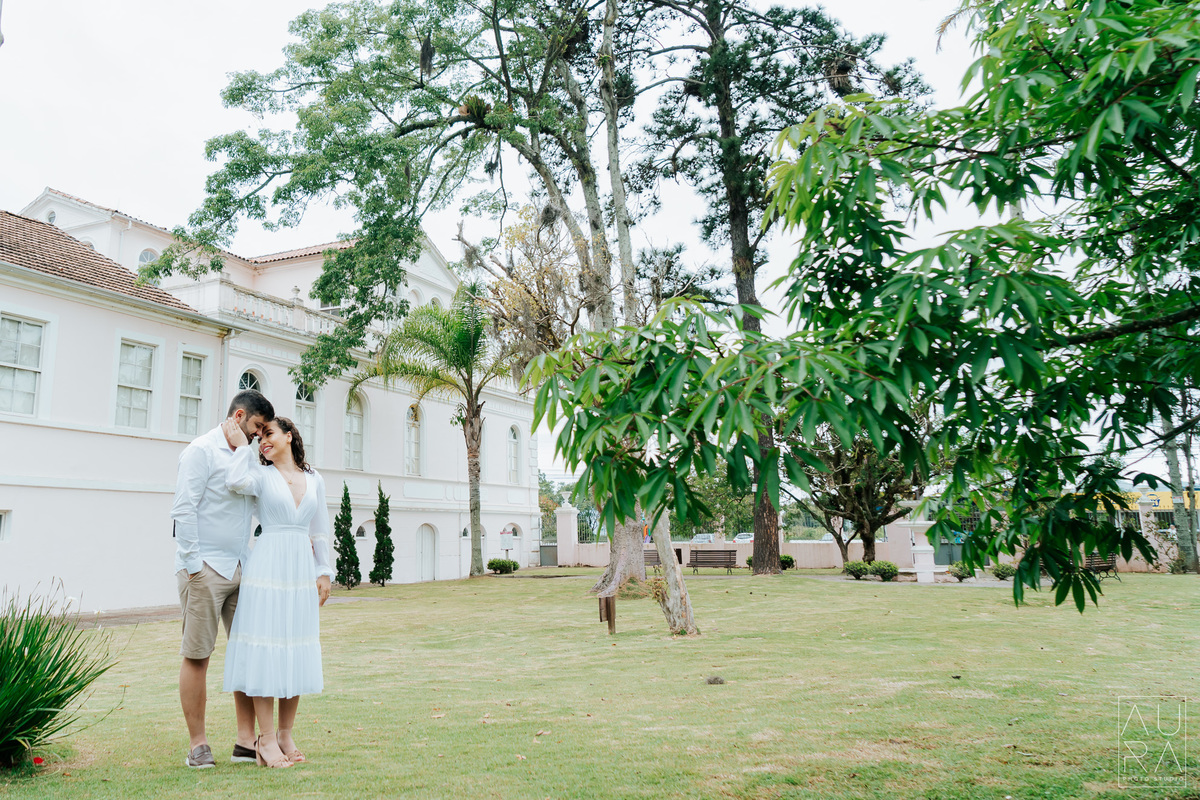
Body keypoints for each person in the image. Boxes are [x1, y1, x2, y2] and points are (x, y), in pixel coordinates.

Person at [221, 415, 333, 768]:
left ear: (289, 436)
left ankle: (286, 734)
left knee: (295, 647)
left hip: (300, 570)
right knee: (267, 649)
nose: (262, 441)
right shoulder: (259, 474)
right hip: (267, 567)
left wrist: (325, 571)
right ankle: (265, 740)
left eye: (268, 434)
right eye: (259, 437)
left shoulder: (315, 479)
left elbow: (320, 530)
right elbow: (234, 480)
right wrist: (243, 447)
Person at [171, 389, 275, 769]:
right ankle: (198, 745)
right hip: (205, 570)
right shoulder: (201, 451)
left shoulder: (247, 455)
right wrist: (193, 565)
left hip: (240, 567)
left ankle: (245, 741)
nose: (260, 436)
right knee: (198, 655)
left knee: (246, 652)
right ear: (239, 416)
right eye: (257, 428)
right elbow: (183, 508)